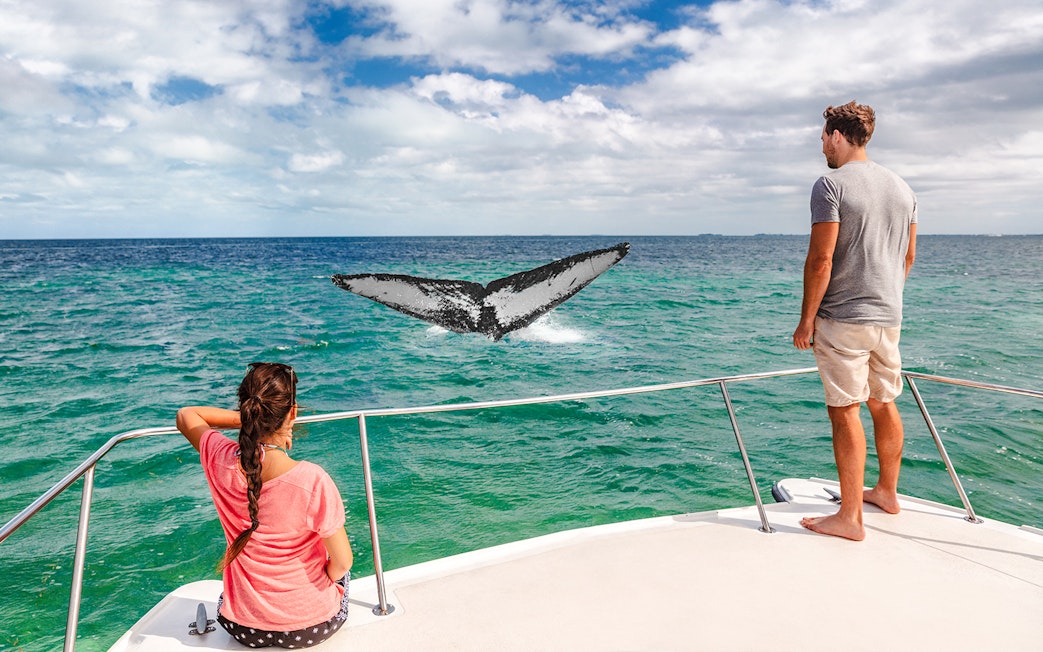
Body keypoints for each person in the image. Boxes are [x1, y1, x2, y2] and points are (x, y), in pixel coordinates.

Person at [792, 101, 918, 541]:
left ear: (838, 136)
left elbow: (821, 259)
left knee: (844, 410)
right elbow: (907, 256)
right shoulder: (902, 188)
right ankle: (887, 492)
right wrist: (887, 297)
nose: (821, 144)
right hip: (889, 316)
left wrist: (806, 319)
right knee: (883, 403)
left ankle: (849, 518)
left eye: (824, 136)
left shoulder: (830, 184)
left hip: (844, 318)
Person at [177, 362, 353, 648]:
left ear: (247, 410)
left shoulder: (219, 458)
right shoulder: (312, 480)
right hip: (312, 626)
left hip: (242, 626)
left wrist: (248, 422)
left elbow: (186, 416)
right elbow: (343, 563)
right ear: (292, 413)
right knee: (341, 566)